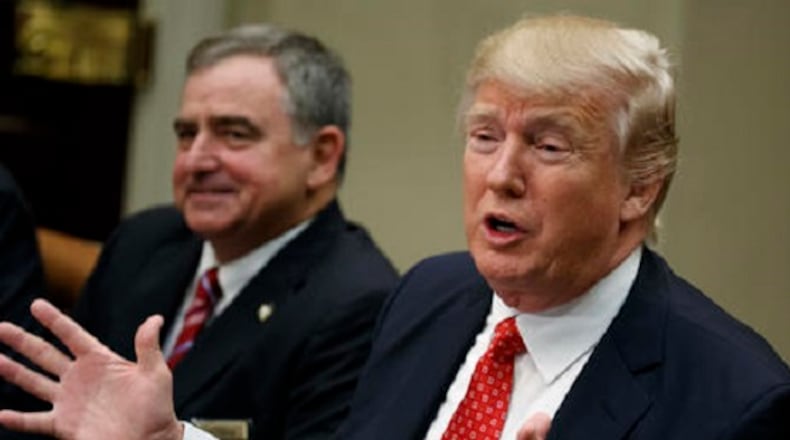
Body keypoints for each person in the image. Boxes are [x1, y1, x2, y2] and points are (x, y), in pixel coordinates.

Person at [338, 14, 790, 439]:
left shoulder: (738, 402)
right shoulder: (426, 294)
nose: (500, 176)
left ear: (639, 188)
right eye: (485, 137)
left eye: (549, 146)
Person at [0, 24, 398, 440]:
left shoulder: (358, 305)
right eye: (187, 134)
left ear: (321, 156)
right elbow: (54, 411)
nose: (196, 160)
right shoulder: (144, 242)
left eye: (234, 135)